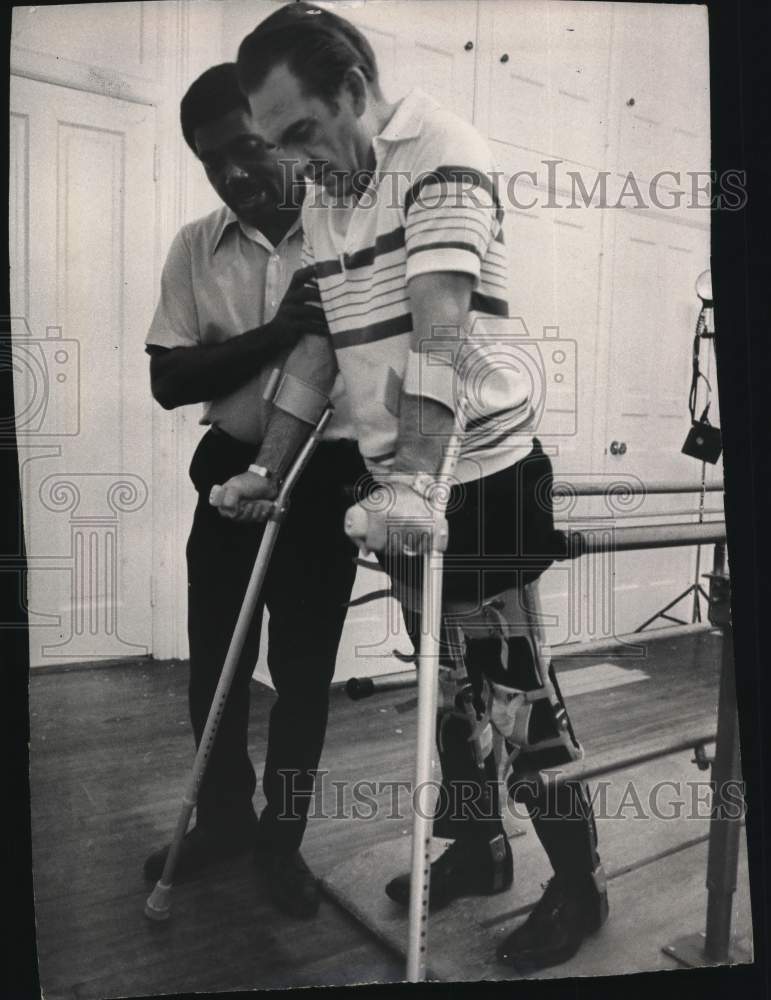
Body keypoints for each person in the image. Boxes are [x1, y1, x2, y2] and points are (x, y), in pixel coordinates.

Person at [216, 3, 610, 972]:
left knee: (511, 692)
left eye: (302, 131)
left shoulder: (442, 153)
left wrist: (415, 484)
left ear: (353, 89)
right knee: (443, 682)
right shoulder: (327, 194)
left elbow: (440, 331)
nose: (292, 161)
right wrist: (268, 464)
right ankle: (478, 846)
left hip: (478, 476)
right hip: (403, 479)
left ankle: (579, 883)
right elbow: (318, 348)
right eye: (275, 143)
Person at [143, 62, 364, 919]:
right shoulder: (195, 246)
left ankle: (282, 844)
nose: (232, 174)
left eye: (245, 148)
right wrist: (277, 333)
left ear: (277, 133)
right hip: (228, 471)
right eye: (211, 161)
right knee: (218, 666)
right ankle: (225, 821)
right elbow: (169, 380)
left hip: (323, 481)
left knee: (302, 675)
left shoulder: (346, 229)